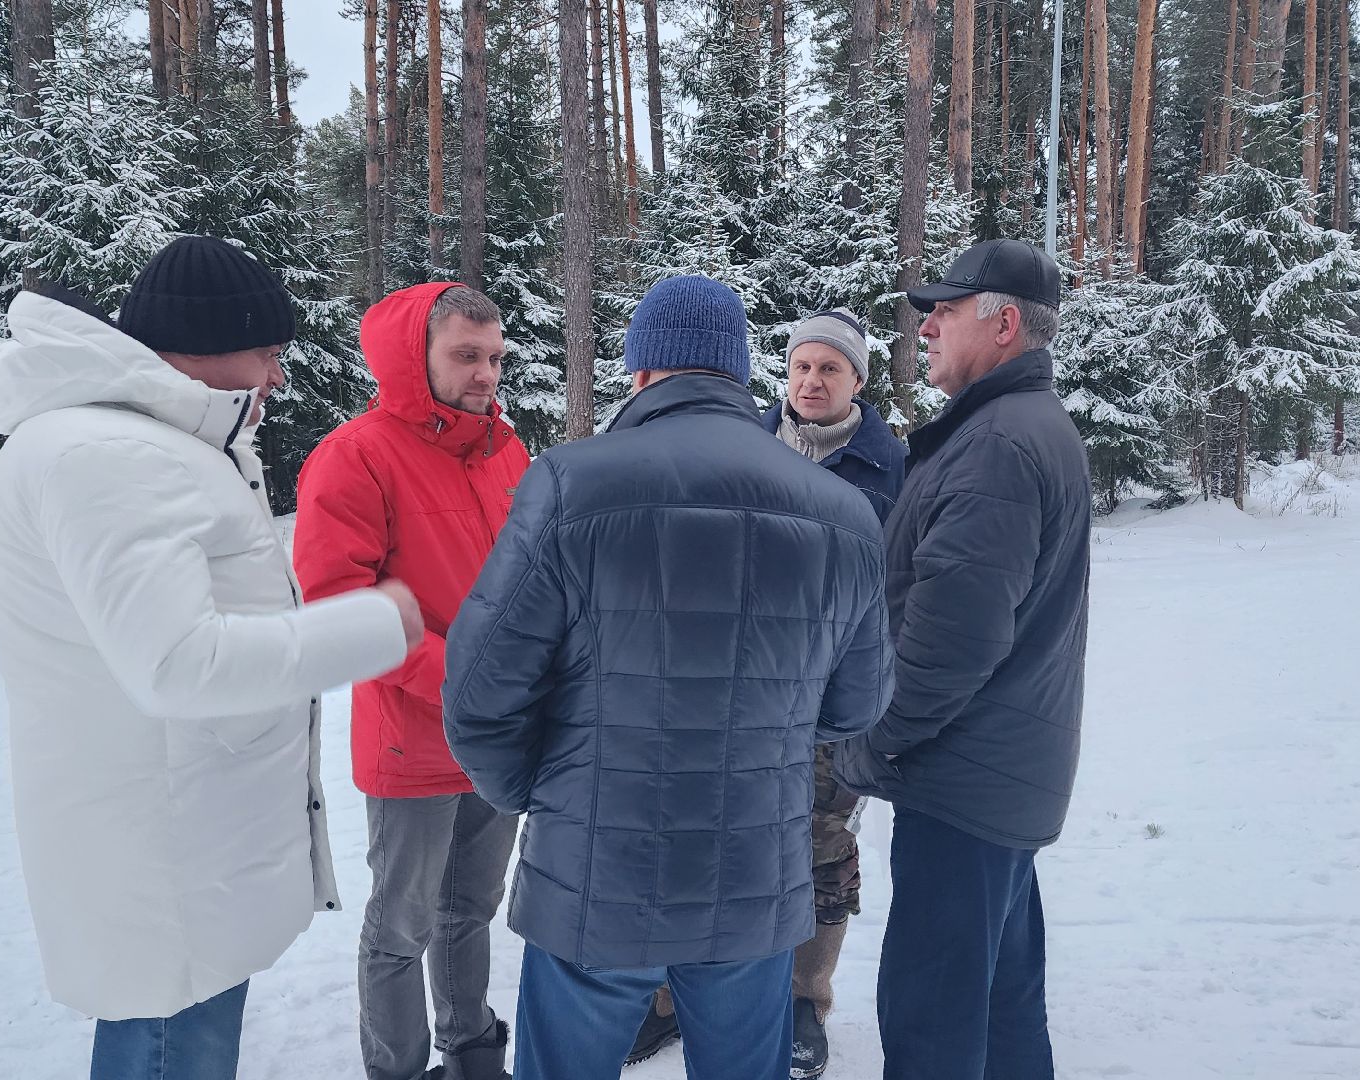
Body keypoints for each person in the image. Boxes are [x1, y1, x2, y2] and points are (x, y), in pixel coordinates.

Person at [0, 236, 424, 1080]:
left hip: (177, 828)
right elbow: (180, 663)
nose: (277, 378)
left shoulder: (135, 444)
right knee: (170, 1039)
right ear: (207, 348)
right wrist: (380, 622)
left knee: (175, 1026)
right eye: (268, 354)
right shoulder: (111, 457)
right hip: (163, 850)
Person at [440, 275, 894, 1080]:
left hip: (594, 878)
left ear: (643, 371)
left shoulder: (571, 484)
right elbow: (858, 701)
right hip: (754, 875)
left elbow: (480, 692)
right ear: (740, 373)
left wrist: (544, 790)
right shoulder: (842, 514)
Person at [623, 307, 907, 1077]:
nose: (812, 382)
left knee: (817, 848)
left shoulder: (889, 468)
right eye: (802, 366)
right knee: (708, 843)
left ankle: (802, 1000)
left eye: (831, 370)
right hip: (730, 699)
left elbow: (897, 594)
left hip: (831, 702)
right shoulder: (737, 442)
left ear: (858, 381)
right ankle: (675, 997)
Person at [834, 238, 1092, 1080]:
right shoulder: (1011, 428)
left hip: (963, 786)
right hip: (996, 781)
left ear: (1006, 325)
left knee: (934, 1022)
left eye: (944, 312)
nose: (927, 328)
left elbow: (950, 646)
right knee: (1003, 1008)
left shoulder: (997, 448)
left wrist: (869, 746)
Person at [292, 282, 529, 1080]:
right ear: (413, 357)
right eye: (466, 356)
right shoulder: (355, 455)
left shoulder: (507, 450)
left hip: (497, 741)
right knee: (403, 925)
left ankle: (471, 1054)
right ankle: (396, 1069)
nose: (486, 374)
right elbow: (340, 607)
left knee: (472, 911)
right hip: (413, 741)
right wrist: (467, 683)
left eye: (494, 357)